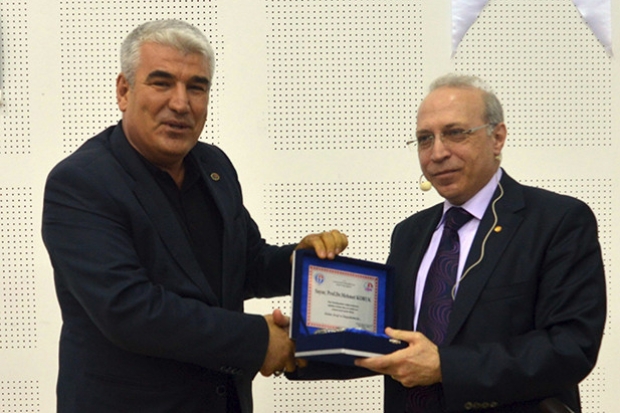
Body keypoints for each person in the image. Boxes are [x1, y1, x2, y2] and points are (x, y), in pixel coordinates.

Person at [41, 19, 347, 413]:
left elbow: (244, 264)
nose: (181, 103)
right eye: (162, 83)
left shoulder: (214, 166)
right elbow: (129, 309)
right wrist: (259, 340)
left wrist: (299, 262)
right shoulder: (81, 182)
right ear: (124, 91)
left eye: (197, 87)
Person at [294, 74, 606, 413]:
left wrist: (446, 366)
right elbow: (389, 343)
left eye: (455, 133)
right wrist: (294, 347)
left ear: (497, 137)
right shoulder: (409, 233)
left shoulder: (556, 221)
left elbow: (571, 347)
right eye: (425, 139)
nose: (437, 153)